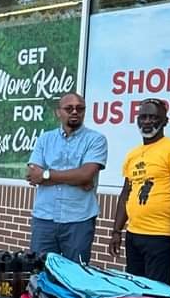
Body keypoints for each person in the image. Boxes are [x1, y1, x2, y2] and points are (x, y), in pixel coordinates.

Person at [110, 98, 170, 286]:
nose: (147, 121)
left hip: (160, 236)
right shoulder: (132, 154)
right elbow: (126, 193)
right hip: (133, 235)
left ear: (165, 121)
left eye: (153, 117)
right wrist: (116, 231)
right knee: (135, 289)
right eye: (143, 117)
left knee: (157, 293)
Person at [25, 93, 108, 262]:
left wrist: (46, 175)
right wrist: (75, 178)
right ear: (58, 112)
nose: (75, 112)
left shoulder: (96, 140)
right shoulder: (45, 139)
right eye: (69, 108)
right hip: (44, 219)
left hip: (79, 220)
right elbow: (32, 175)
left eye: (80, 108)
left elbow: (86, 175)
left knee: (76, 276)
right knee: (40, 272)